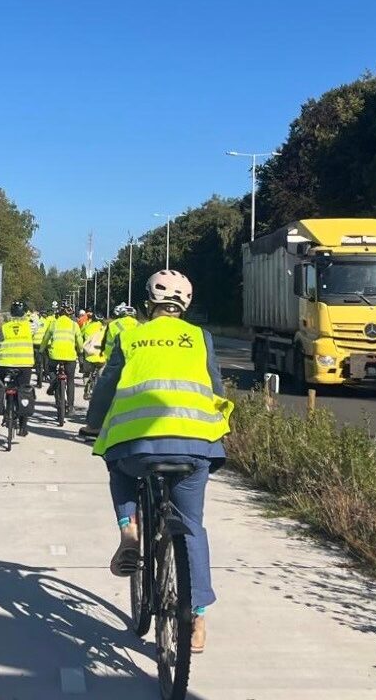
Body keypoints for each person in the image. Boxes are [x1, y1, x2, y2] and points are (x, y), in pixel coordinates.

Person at [81, 270, 230, 654]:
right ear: (186, 304)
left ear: (149, 301)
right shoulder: (200, 338)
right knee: (192, 526)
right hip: (196, 445)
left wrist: (94, 424)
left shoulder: (130, 334)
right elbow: (215, 387)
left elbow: (108, 386)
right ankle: (196, 620)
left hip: (138, 444)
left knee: (118, 467)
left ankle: (129, 532)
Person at [0, 300, 37, 435]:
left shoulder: (4, 327)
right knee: (24, 390)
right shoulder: (30, 326)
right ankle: (23, 427)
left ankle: (3, 407)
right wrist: (30, 316)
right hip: (24, 364)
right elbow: (37, 325)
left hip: (5, 363)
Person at [41, 301, 83, 406]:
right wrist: (80, 352)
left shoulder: (53, 324)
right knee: (70, 380)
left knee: (50, 370)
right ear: (70, 315)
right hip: (70, 356)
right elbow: (79, 341)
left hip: (55, 355)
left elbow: (45, 339)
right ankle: (71, 407)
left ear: (59, 314)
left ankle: (54, 383)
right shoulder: (74, 325)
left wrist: (41, 350)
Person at [80, 311, 108, 383]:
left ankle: (86, 387)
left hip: (89, 356)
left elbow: (80, 336)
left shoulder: (87, 327)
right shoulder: (106, 329)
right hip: (102, 357)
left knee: (87, 373)